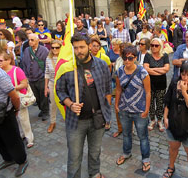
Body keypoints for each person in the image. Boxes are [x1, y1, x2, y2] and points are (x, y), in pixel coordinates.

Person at [56, 32, 111, 178]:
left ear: (89, 46)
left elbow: (107, 90)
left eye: (81, 47)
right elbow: (59, 90)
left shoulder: (101, 65)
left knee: (95, 151)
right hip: (76, 121)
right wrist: (70, 104)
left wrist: (106, 113)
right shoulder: (68, 67)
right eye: (75, 48)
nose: (78, 51)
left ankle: (94, 173)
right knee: (74, 156)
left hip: (97, 118)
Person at [115, 45, 151, 172]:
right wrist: (116, 104)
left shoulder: (142, 72)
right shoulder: (119, 71)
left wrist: (146, 109)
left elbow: (148, 92)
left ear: (135, 58)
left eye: (130, 58)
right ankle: (126, 153)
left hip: (139, 110)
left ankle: (146, 158)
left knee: (143, 136)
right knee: (126, 134)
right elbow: (118, 89)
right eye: (125, 58)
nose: (127, 61)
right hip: (124, 109)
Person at [0, 51, 34, 148]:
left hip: (19, 98)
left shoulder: (16, 70)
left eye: (1, 60)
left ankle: (29, 138)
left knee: (23, 120)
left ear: (9, 60)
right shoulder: (0, 72)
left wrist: (13, 88)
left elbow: (24, 84)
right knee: (16, 121)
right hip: (7, 102)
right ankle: (21, 135)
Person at [0, 66, 28, 177]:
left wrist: (16, 109)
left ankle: (22, 161)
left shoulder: (0, 75)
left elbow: (14, 96)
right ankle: (8, 159)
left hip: (4, 112)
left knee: (13, 140)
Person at [143, 38, 170, 132]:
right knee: (150, 103)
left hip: (161, 84)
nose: (154, 47)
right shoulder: (148, 55)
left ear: (160, 46)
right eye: (152, 45)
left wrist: (153, 69)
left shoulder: (164, 55)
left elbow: (167, 69)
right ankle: (152, 120)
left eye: (156, 45)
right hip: (149, 83)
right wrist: (160, 70)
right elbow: (145, 68)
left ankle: (159, 120)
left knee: (160, 103)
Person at [21, 34, 49, 121]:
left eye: (32, 40)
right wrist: (25, 76)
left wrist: (46, 77)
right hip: (30, 78)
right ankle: (42, 109)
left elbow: (47, 65)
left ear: (37, 41)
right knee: (36, 97)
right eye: (29, 40)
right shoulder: (26, 50)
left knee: (43, 96)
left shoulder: (44, 50)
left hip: (41, 77)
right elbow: (24, 63)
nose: (30, 42)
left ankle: (45, 112)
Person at [44, 40, 62, 133]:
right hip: (51, 83)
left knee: (65, 104)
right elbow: (46, 73)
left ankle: (69, 122)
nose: (54, 49)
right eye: (53, 47)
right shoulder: (48, 58)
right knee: (52, 104)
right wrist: (45, 87)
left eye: (57, 47)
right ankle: (52, 122)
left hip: (62, 84)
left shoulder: (63, 58)